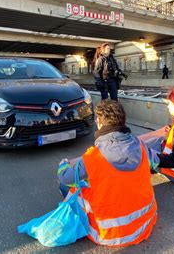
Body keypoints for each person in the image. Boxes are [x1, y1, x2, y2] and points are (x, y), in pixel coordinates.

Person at [58, 100, 158, 246]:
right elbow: (155, 161)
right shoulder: (141, 146)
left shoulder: (93, 156)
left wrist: (63, 164)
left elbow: (65, 178)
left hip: (109, 234)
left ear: (99, 123)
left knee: (69, 187)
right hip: (144, 224)